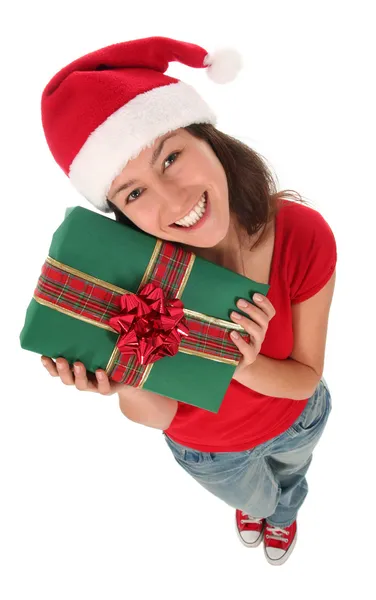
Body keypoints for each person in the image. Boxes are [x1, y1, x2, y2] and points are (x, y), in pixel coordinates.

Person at [39, 36, 337, 567]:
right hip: (213, 454)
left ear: (210, 139)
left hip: (298, 420)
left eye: (171, 156)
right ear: (124, 215)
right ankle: (261, 507)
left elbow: (306, 375)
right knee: (254, 496)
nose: (174, 199)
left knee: (291, 481)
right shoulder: (135, 286)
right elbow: (159, 414)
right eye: (133, 193)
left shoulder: (303, 234)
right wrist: (123, 373)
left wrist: (244, 362)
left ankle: (286, 513)